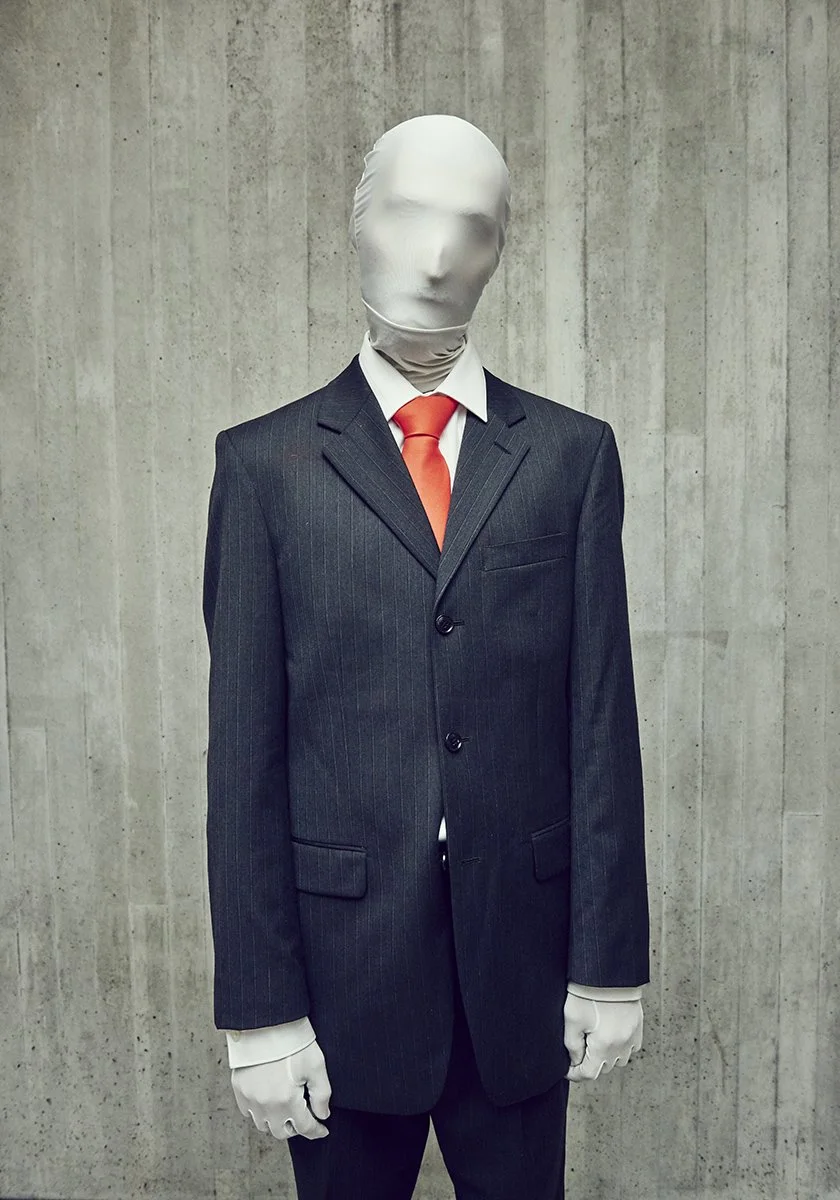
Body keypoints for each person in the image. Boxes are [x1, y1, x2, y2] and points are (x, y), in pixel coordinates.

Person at [203, 114, 650, 1200]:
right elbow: (245, 758)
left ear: (499, 250)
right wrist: (259, 1014)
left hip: (522, 971)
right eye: (410, 216)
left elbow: (601, 721)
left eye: (472, 227)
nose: (440, 255)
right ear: (357, 226)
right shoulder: (265, 467)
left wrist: (610, 968)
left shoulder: (571, 457)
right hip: (341, 978)